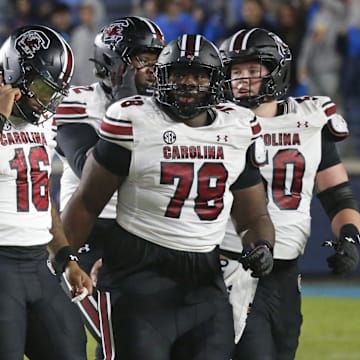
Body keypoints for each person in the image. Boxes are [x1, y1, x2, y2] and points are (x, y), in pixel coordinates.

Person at [61, 33, 275, 359]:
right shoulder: (134, 120)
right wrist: (65, 257)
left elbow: (253, 216)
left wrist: (261, 245)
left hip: (204, 280)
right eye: (178, 74)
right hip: (138, 275)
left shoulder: (237, 128)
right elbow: (88, 201)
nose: (188, 83)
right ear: (163, 78)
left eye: (199, 75)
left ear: (214, 80)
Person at [219, 27, 360, 360]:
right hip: (233, 264)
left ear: (275, 71)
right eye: (236, 71)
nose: (242, 79)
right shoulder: (216, 124)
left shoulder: (308, 119)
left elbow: (338, 196)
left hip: (286, 270)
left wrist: (350, 238)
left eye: (253, 70)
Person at [54, 15, 166, 354]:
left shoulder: (167, 109)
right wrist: (124, 108)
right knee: (119, 333)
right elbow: (91, 167)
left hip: (145, 233)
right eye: (142, 60)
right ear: (112, 62)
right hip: (89, 234)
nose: (153, 69)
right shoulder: (78, 103)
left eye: (157, 61)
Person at [0, 24, 92, 360]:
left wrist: (65, 256)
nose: (46, 101)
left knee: (69, 349)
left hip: (38, 264)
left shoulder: (41, 122)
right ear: (14, 73)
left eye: (54, 92)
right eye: (41, 88)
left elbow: (39, 195)